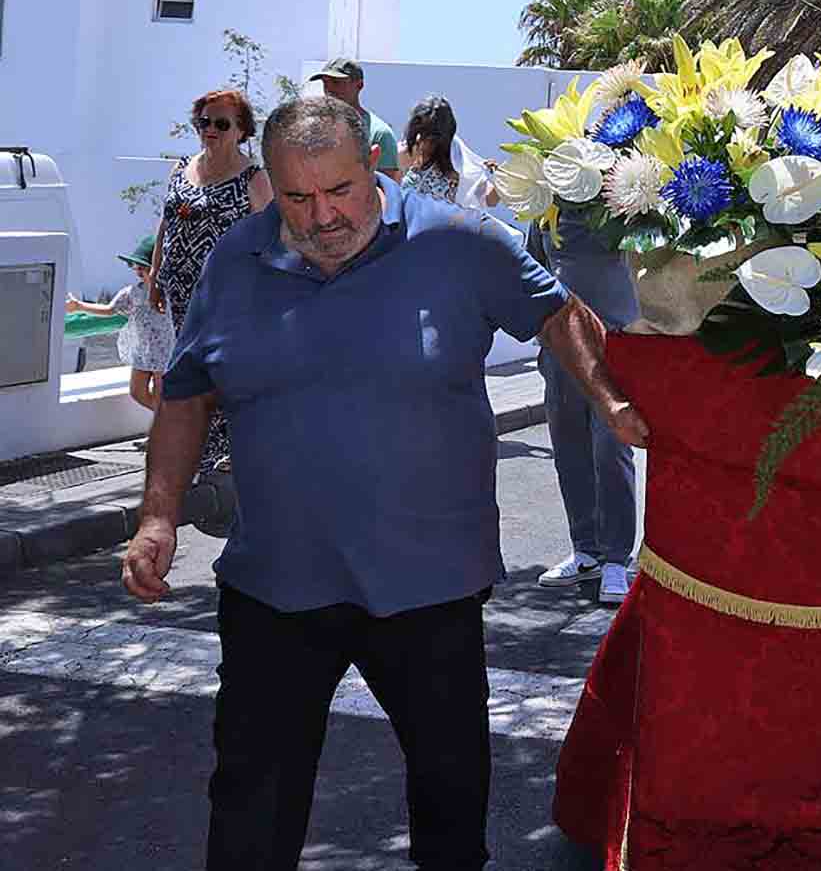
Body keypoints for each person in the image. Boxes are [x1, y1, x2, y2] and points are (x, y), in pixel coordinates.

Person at [120, 95, 650, 869]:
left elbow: (555, 310)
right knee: (249, 807)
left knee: (448, 801)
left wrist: (607, 395)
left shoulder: (460, 242)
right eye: (297, 197)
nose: (321, 215)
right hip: (276, 583)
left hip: (429, 586)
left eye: (338, 190)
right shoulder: (238, 258)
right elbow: (187, 393)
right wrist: (157, 517)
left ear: (373, 165)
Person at [148, 88, 274, 476]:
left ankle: (227, 447)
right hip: (180, 289)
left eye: (222, 123)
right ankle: (197, 448)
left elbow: (270, 240)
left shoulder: (253, 178)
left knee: (218, 367)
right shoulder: (181, 168)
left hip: (228, 292)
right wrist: (155, 274)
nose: (211, 130)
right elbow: (166, 224)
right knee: (186, 366)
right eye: (205, 122)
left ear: (241, 130)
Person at [529, 218, 643, 604]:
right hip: (561, 346)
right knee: (569, 448)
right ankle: (586, 551)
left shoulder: (620, 204)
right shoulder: (545, 203)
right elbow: (534, 266)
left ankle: (615, 558)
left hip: (618, 343)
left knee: (611, 450)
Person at [65, 235, 174, 411]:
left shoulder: (170, 292)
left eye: (143, 267)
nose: (138, 271)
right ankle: (168, 421)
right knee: (137, 392)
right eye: (135, 266)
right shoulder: (133, 293)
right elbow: (109, 310)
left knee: (162, 397)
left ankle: (164, 429)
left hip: (165, 353)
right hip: (143, 352)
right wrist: (79, 306)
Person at [312, 56, 402, 176]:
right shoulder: (314, 129)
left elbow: (385, 188)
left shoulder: (379, 134)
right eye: (325, 83)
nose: (329, 89)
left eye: (336, 82)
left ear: (359, 85)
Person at [400, 96, 463, 205]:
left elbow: (482, 196)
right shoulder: (403, 153)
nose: (427, 140)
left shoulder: (454, 154)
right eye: (423, 131)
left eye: (434, 134)